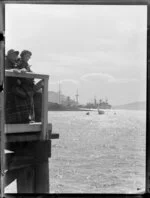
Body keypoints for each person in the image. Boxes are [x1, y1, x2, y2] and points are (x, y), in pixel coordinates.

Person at [5, 49, 31, 123]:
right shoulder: (6, 61)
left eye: (16, 54)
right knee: (23, 95)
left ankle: (23, 118)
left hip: (14, 85)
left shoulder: (16, 63)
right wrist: (14, 71)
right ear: (9, 55)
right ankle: (18, 119)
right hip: (9, 86)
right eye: (13, 54)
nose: (15, 56)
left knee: (26, 95)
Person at [17, 50, 43, 122]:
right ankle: (32, 118)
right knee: (41, 85)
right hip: (25, 85)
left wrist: (29, 71)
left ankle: (34, 118)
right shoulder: (21, 63)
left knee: (39, 90)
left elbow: (30, 73)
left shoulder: (25, 63)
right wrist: (26, 70)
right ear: (22, 55)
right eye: (27, 56)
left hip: (29, 85)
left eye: (29, 56)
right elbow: (22, 71)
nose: (28, 57)